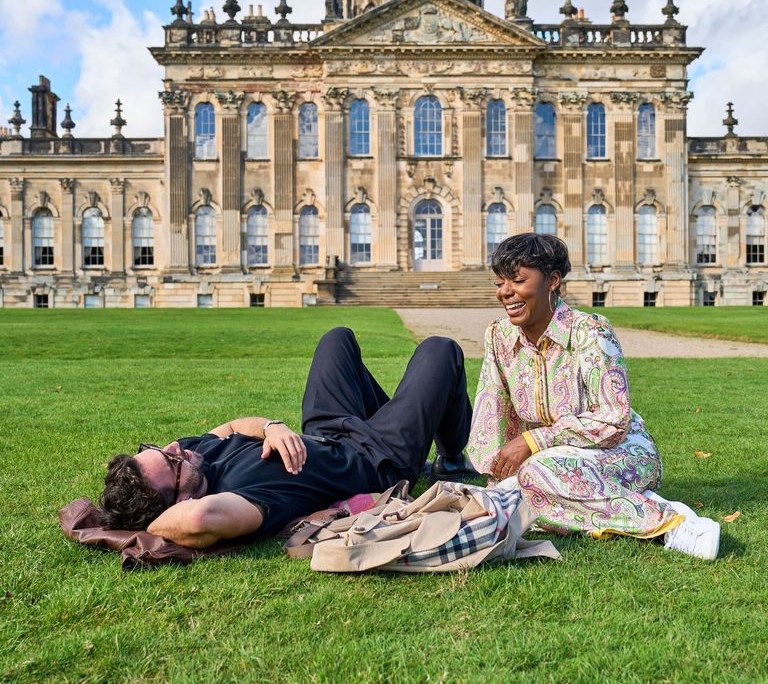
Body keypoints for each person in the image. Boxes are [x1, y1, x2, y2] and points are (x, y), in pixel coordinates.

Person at [96, 327, 476, 548]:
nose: (177, 448)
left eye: (160, 450)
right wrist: (146, 526)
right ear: (178, 499)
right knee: (439, 350)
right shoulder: (237, 500)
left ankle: (411, 415)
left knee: (336, 339)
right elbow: (198, 519)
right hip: (377, 458)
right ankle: (452, 453)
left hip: (326, 430)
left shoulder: (194, 454)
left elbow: (231, 426)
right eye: (172, 461)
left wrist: (270, 427)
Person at [467, 233, 721, 560]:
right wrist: (495, 468)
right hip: (547, 461)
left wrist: (534, 443)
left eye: (517, 280)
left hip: (622, 452)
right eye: (500, 282)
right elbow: (492, 411)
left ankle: (672, 522)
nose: (505, 292)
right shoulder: (498, 336)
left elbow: (612, 418)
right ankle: (639, 503)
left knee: (532, 481)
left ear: (553, 281)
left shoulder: (590, 330)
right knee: (513, 493)